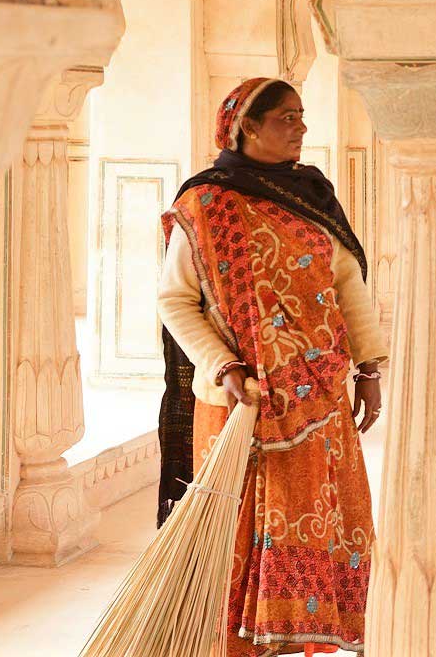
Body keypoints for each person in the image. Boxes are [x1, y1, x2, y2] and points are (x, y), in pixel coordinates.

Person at [155, 77, 386, 656]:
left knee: (315, 521)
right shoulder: (206, 205)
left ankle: (297, 637)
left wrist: (369, 367)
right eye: (287, 118)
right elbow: (175, 301)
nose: (301, 128)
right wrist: (222, 365)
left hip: (321, 402)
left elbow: (346, 285)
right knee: (238, 532)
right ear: (246, 127)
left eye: (302, 116)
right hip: (244, 406)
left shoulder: (311, 194)